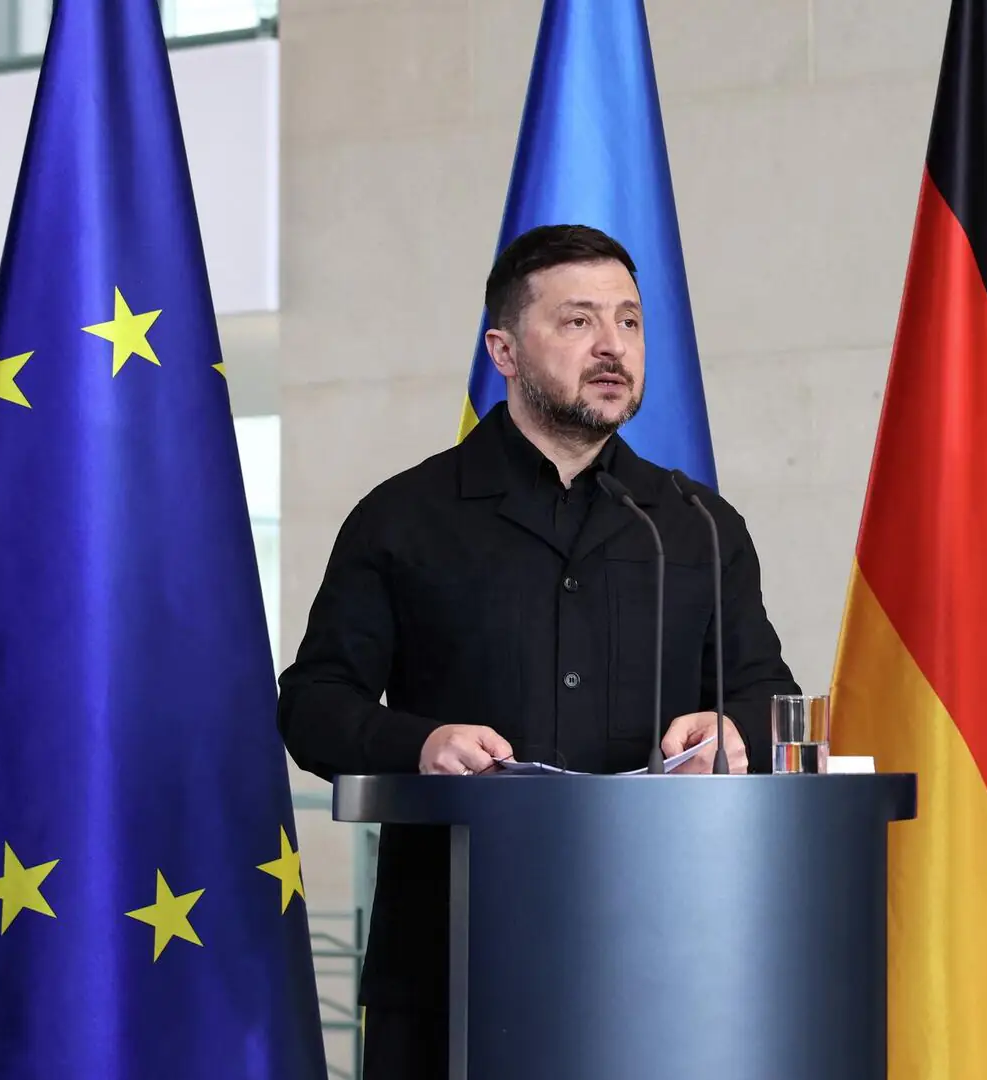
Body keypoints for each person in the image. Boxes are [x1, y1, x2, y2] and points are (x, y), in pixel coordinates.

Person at [277, 224, 799, 1079]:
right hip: (454, 956)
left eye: (629, 321)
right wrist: (422, 742)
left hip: (665, 951)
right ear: (505, 351)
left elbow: (766, 691)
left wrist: (732, 730)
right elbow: (313, 703)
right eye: (578, 321)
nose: (612, 346)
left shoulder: (697, 523)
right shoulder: (404, 517)